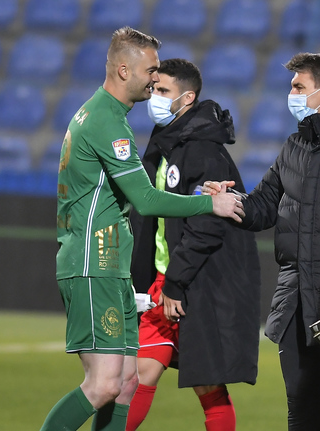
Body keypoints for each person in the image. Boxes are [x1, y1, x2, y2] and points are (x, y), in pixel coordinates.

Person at [40, 27, 244, 431]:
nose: (154, 79)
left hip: (110, 264)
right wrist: (211, 203)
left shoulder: (105, 116)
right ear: (122, 69)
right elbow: (148, 200)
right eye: (150, 70)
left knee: (129, 383)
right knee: (103, 385)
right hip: (92, 261)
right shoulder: (106, 123)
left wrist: (196, 189)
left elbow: (140, 193)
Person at [206, 52, 320, 431]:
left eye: (299, 86)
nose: (291, 94)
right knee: (301, 404)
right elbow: (263, 206)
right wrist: (227, 201)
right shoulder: (295, 145)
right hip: (297, 295)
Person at [125, 58, 260, 431]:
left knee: (207, 386)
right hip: (164, 283)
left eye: (163, 91)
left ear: (187, 98)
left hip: (191, 286)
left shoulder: (203, 152)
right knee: (136, 379)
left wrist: (176, 282)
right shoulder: (167, 141)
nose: (154, 97)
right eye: (153, 89)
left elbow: (207, 227)